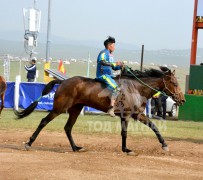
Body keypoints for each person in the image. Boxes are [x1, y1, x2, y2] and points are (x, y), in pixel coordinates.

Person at [96, 36, 123, 117]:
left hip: (110, 76)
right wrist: (115, 64)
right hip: (103, 75)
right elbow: (103, 62)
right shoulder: (104, 53)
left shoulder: (110, 55)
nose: (114, 47)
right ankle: (111, 108)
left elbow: (113, 67)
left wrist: (120, 66)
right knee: (116, 88)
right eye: (113, 45)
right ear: (109, 45)